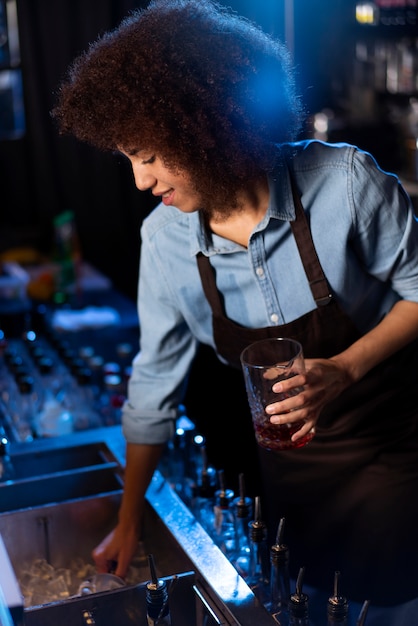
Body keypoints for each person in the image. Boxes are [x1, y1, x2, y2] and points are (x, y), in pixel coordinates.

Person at [51, 0, 418, 623]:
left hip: (391, 452)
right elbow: (152, 388)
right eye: (128, 160)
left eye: (149, 156)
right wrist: (129, 517)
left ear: (208, 124)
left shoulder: (346, 184)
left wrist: (347, 368)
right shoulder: (164, 242)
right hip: (292, 476)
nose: (140, 182)